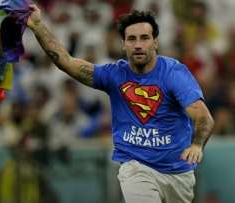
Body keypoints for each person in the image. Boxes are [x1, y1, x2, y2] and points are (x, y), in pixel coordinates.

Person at [27, 4, 215, 203]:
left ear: (155, 42)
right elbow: (65, 61)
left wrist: (196, 145)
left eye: (144, 38)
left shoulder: (174, 74)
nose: (138, 45)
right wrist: (38, 26)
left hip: (178, 173)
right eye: (131, 39)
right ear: (123, 44)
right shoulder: (113, 75)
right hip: (135, 167)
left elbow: (204, 117)